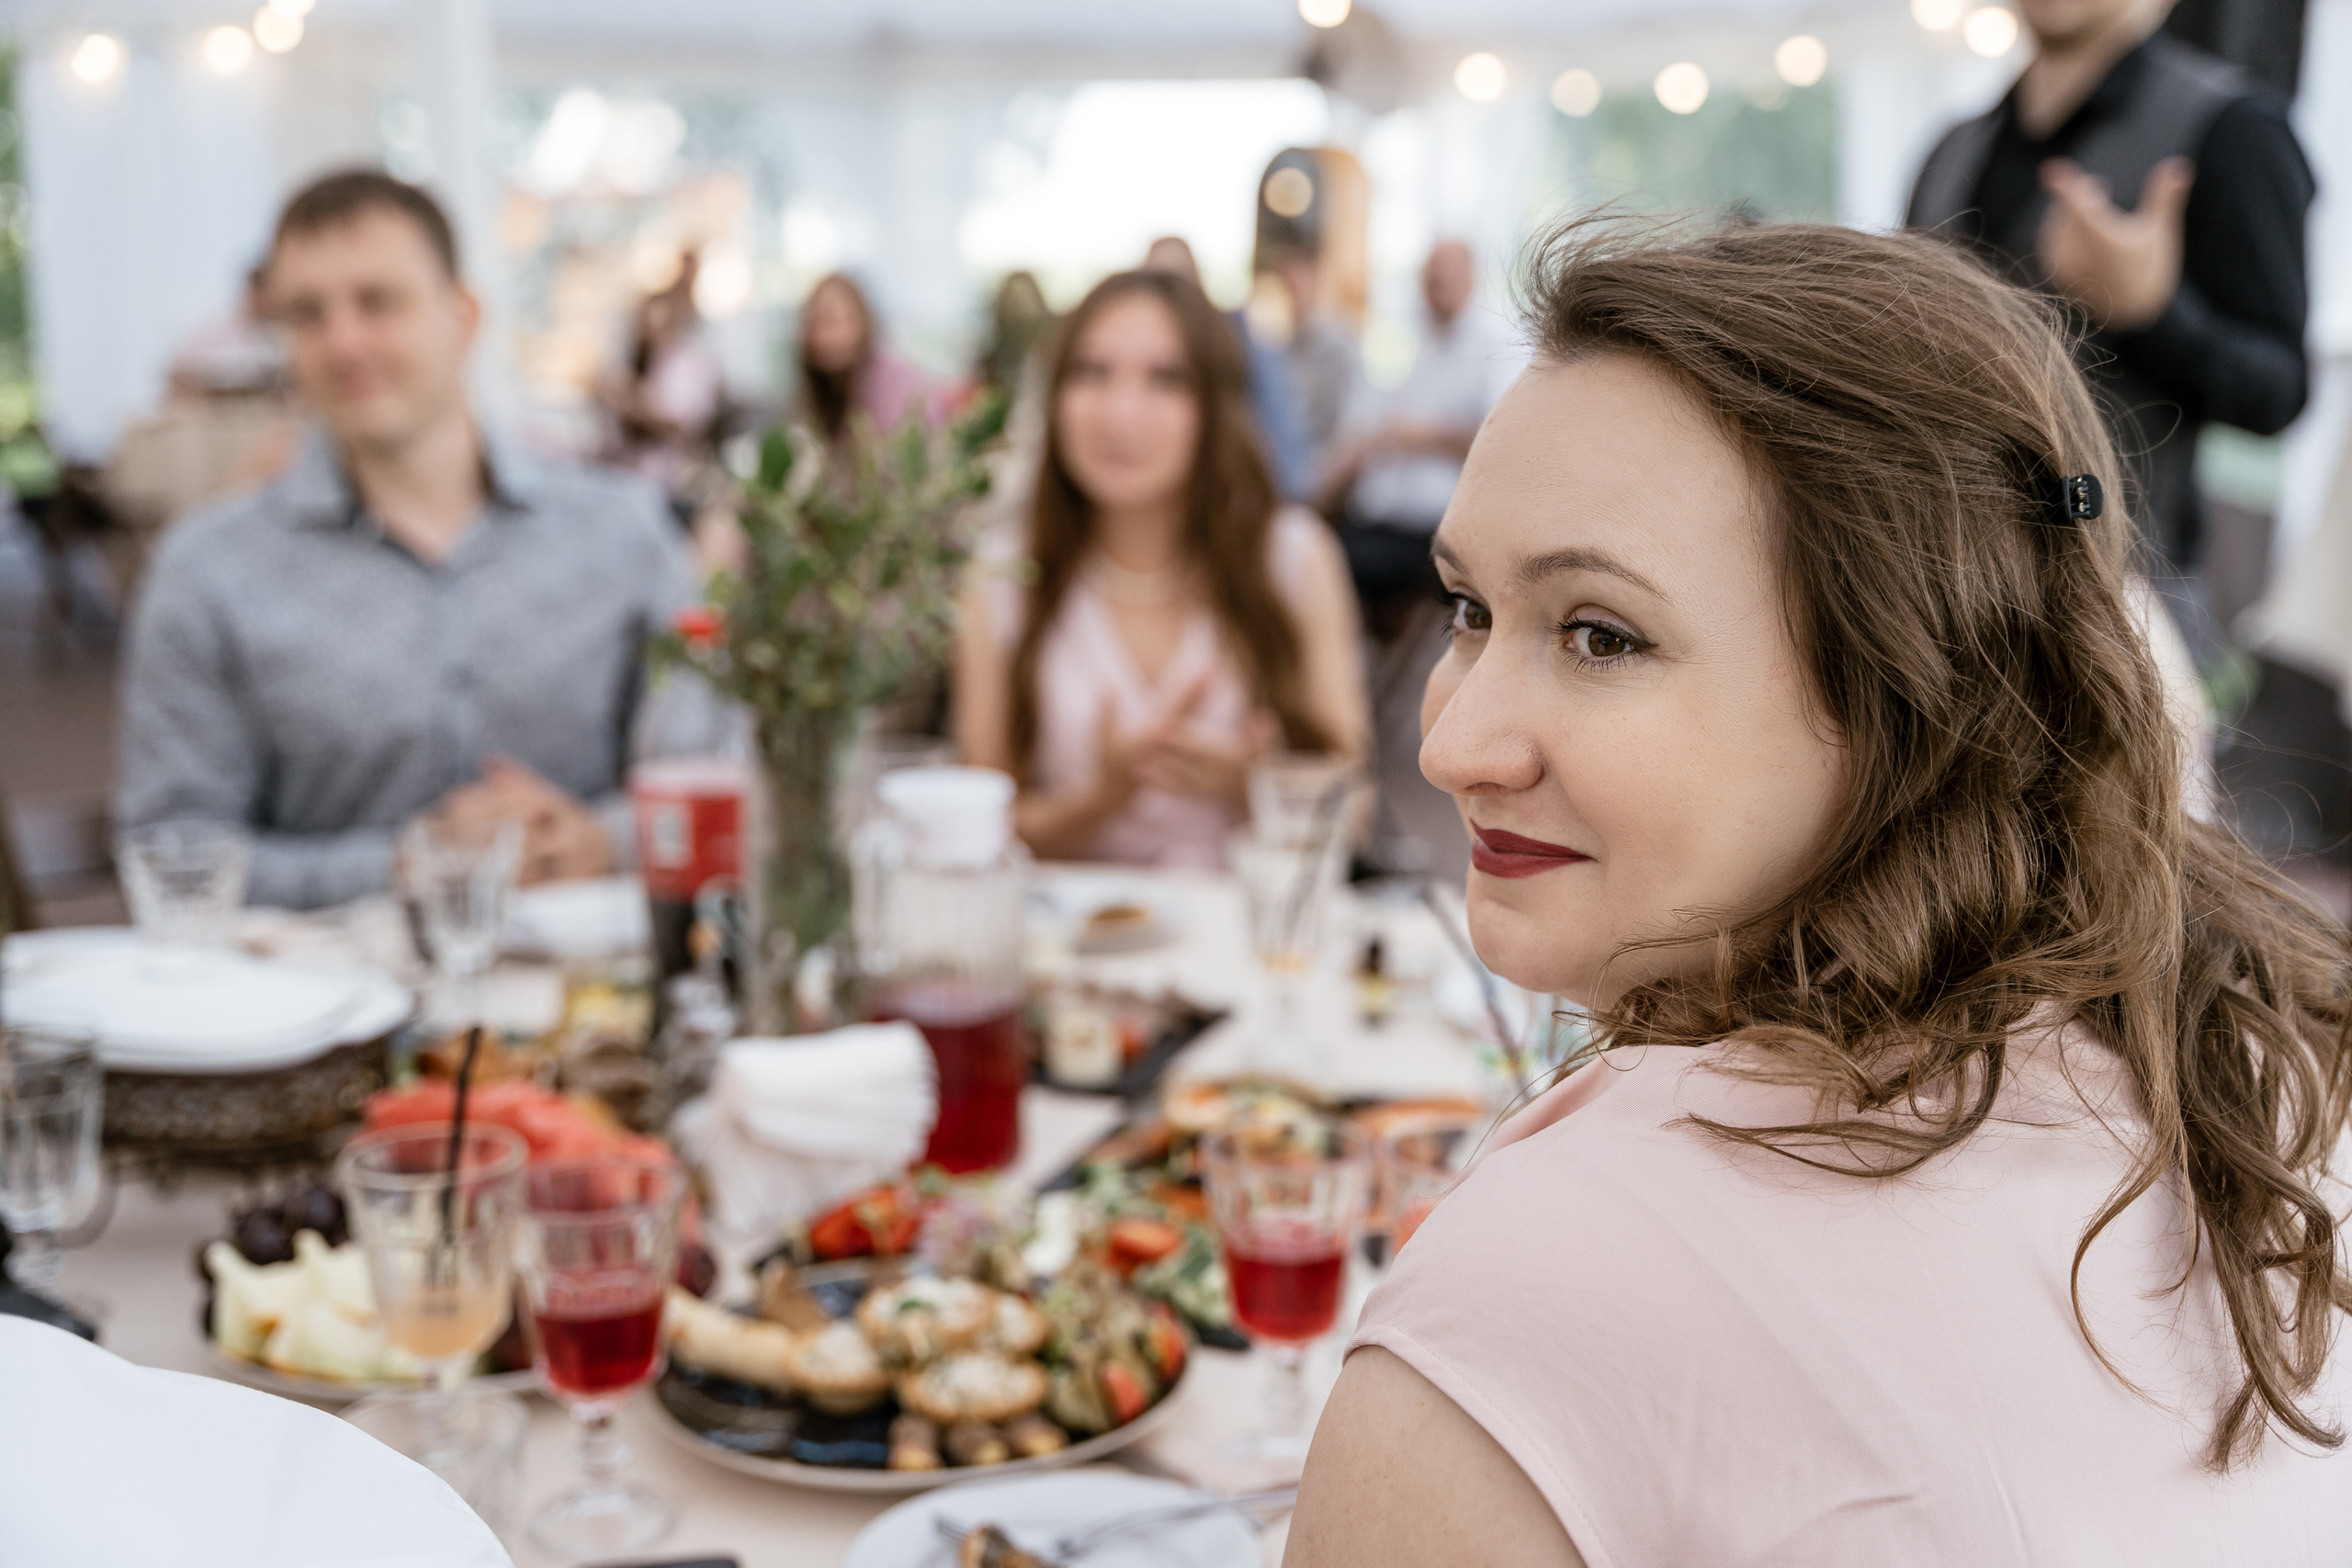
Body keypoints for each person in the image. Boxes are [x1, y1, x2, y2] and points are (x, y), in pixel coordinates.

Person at [1286, 222, 2352, 1565]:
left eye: (1601, 634)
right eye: (1469, 607)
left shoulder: (1544, 1272)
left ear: (1910, 695)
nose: (1450, 745)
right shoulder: (2261, 1053)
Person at [118, 170, 698, 909]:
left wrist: (598, 840)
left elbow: (715, 778)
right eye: (306, 314)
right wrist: (411, 864)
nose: (343, 341)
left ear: (464, 314)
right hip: (330, 1007)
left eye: (377, 302)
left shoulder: (624, 533)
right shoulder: (205, 570)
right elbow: (170, 855)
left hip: (599, 1002)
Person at [1906, 0, 2313, 663]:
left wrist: (2154, 313)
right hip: (1941, 597)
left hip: (2129, 609)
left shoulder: (2234, 129)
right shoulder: (1954, 149)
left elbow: (2279, 390)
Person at [952, 268, 1367, 868]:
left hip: (1246, 942)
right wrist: (1104, 797)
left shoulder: (1294, 558)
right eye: (1092, 373)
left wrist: (1250, 780)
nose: (1121, 413)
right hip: (1062, 947)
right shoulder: (1000, 576)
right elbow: (980, 827)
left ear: (1216, 404)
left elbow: (1355, 810)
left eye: (1165, 379)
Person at [1317, 240, 1517, 626]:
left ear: (1469, 279)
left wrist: (1429, 437)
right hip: (1380, 510)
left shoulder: (1495, 347)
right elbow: (1369, 423)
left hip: (1432, 527)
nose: (1434, 287)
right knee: (1311, 550)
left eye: (1443, 278)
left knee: (1333, 567)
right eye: (1430, 279)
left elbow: (1504, 449)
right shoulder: (1408, 338)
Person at [1140, 235, 1316, 504]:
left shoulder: (1240, 346)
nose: (1169, 299)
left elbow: (1285, 459)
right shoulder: (1133, 352)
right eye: (1157, 285)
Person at [602, 250, 727, 510]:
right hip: (629, 479)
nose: (652, 332)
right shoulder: (636, 362)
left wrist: (636, 404)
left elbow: (683, 423)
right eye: (646, 325)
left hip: (671, 483)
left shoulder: (688, 362)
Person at [792, 272, 944, 449]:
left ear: (861, 320)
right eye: (812, 323)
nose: (822, 337)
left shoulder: (895, 387)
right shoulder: (824, 392)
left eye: (830, 321)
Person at [1268, 243, 1362, 478]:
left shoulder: (1338, 348)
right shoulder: (1284, 347)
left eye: (1297, 283)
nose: (1292, 292)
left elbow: (1343, 430)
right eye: (1288, 285)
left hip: (1321, 475)